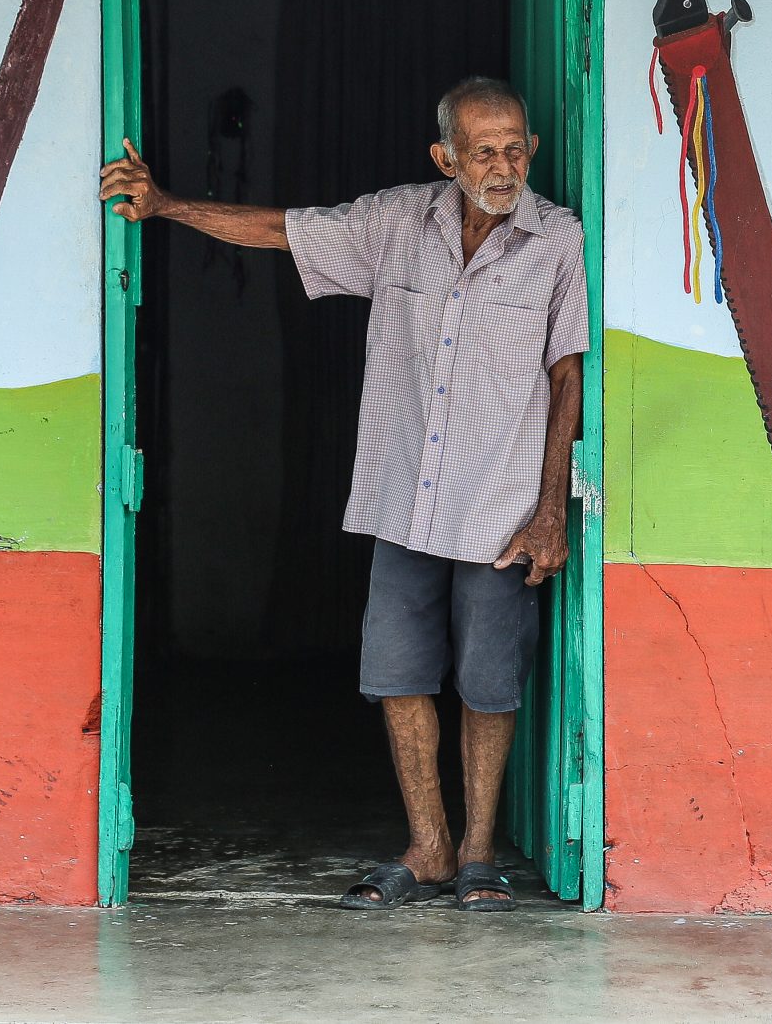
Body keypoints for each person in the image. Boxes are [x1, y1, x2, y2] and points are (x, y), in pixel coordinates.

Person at [99, 76, 588, 912]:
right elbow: (283, 231)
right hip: (406, 498)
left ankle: (476, 853)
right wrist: (167, 205)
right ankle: (428, 846)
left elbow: (567, 374)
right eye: (483, 151)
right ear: (446, 158)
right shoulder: (397, 223)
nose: (503, 166)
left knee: (487, 681)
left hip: (500, 505)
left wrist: (551, 509)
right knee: (399, 674)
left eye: (515, 148)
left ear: (532, 149)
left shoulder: (560, 241)